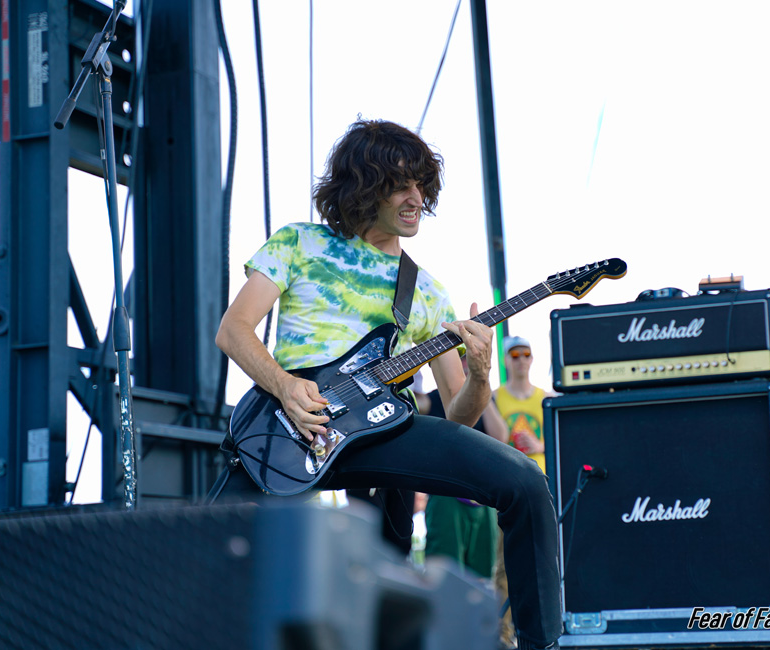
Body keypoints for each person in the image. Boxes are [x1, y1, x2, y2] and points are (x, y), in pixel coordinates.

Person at [213, 119, 561, 650]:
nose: (415, 197)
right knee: (208, 548)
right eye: (400, 184)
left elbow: (459, 416)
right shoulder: (299, 243)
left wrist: (481, 371)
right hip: (286, 428)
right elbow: (233, 330)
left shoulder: (424, 290)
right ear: (363, 186)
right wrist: (284, 385)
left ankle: (541, 645)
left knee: (525, 484)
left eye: (422, 185)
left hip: (381, 430)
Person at [419, 355, 508, 581]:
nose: (467, 365)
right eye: (463, 361)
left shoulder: (488, 399)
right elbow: (417, 403)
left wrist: (480, 385)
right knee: (444, 572)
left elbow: (501, 437)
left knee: (482, 576)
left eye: (471, 360)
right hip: (447, 496)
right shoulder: (436, 399)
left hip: (481, 499)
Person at [494, 335, 552, 474]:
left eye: (526, 354)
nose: (521, 360)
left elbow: (562, 439)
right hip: (507, 474)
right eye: (515, 355)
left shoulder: (546, 398)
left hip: (540, 474)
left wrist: (539, 446)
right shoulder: (493, 398)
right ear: (505, 360)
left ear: (532, 359)